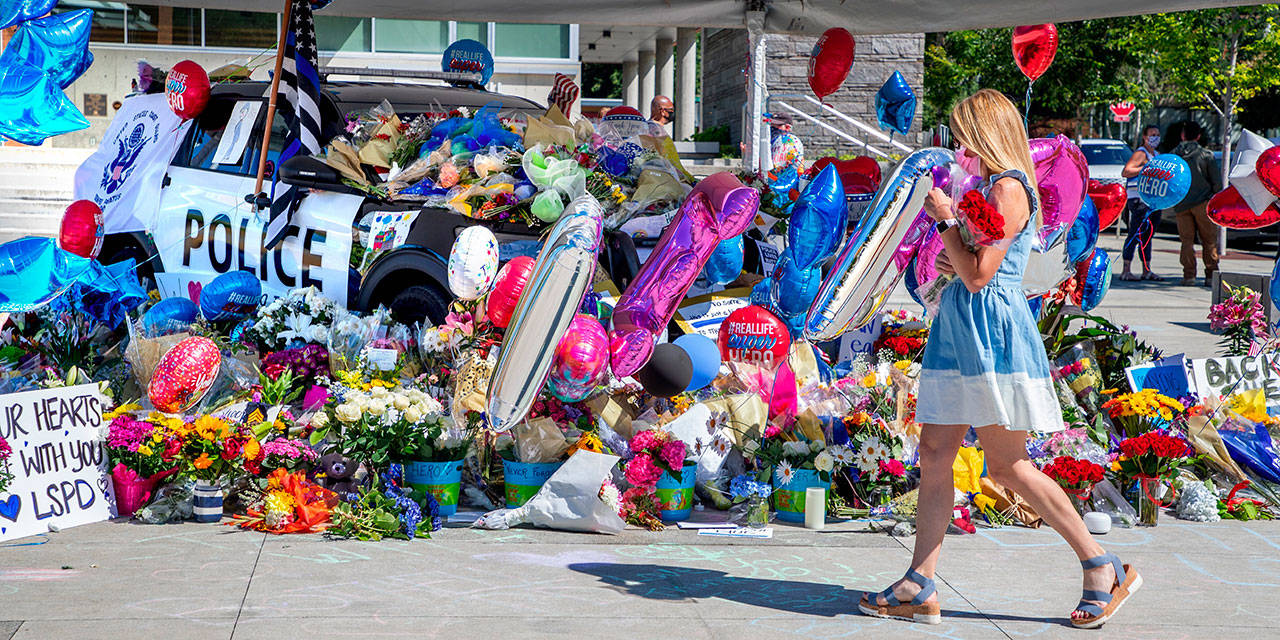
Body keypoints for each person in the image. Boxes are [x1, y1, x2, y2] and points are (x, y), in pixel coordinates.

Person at [858, 89, 1141, 629]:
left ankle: (1100, 564)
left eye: (963, 132)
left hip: (991, 333)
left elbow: (982, 275)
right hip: (959, 328)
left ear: (985, 131)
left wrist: (945, 221)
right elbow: (967, 266)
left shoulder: (1009, 188)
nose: (957, 145)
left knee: (1008, 466)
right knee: (936, 452)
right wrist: (950, 252)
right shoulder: (989, 188)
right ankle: (920, 581)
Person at [1170, 120, 1223, 286]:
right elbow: (1217, 182)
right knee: (1209, 240)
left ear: (1182, 135)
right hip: (1203, 203)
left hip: (1181, 203)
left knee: (1186, 241)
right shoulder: (1206, 155)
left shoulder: (1174, 155)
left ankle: (1189, 275)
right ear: (1199, 136)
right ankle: (1210, 275)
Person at [1118, 124, 1164, 280]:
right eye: (1152, 134)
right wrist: (1145, 167)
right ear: (1145, 137)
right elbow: (1126, 171)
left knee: (1148, 235)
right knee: (1135, 233)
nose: (1155, 137)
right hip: (1139, 199)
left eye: (1157, 134)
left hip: (1153, 200)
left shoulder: (1156, 154)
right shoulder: (1141, 153)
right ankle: (1126, 270)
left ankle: (1146, 270)